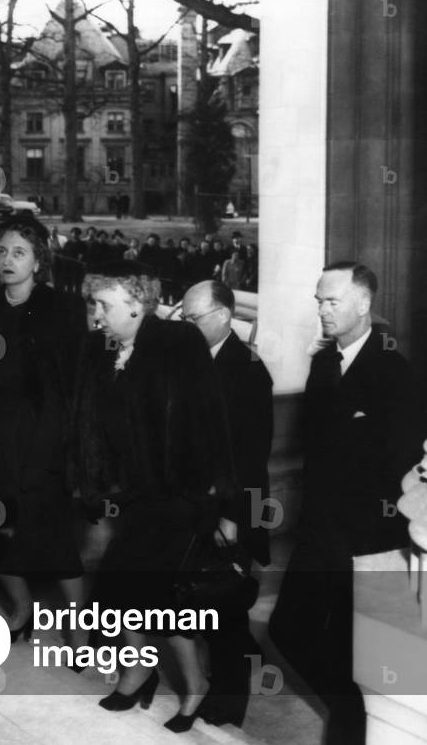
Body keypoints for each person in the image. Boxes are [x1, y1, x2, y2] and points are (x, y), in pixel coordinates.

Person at [71, 260, 235, 733]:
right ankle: (141, 674)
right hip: (136, 495)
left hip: (179, 495)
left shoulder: (175, 342)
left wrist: (220, 502)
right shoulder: (104, 348)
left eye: (105, 304)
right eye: (93, 303)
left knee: (160, 595)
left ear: (138, 304)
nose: (96, 313)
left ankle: (190, 684)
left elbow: (210, 420)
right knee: (129, 589)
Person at [268, 262, 422, 745]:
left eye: (332, 301)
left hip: (369, 540)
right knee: (290, 630)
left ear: (363, 304)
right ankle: (352, 714)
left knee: (379, 653)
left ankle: (358, 729)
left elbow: (398, 465)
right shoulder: (323, 362)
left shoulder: (394, 369)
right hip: (320, 532)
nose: (322, 310)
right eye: (319, 300)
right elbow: (317, 448)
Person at [0, 217, 88, 646]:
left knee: (57, 538)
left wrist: (69, 443)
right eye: (3, 251)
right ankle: (21, 606)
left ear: (38, 261)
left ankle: (80, 631)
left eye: (19, 252)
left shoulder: (62, 308)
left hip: (47, 438)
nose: (8, 260)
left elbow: (78, 381)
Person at [182, 280, 272, 727]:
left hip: (234, 509)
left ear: (221, 315)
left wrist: (233, 517)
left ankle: (230, 701)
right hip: (203, 506)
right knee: (208, 602)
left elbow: (251, 457)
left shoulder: (249, 369)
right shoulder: (198, 361)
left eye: (192, 318)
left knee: (227, 606)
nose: (186, 325)